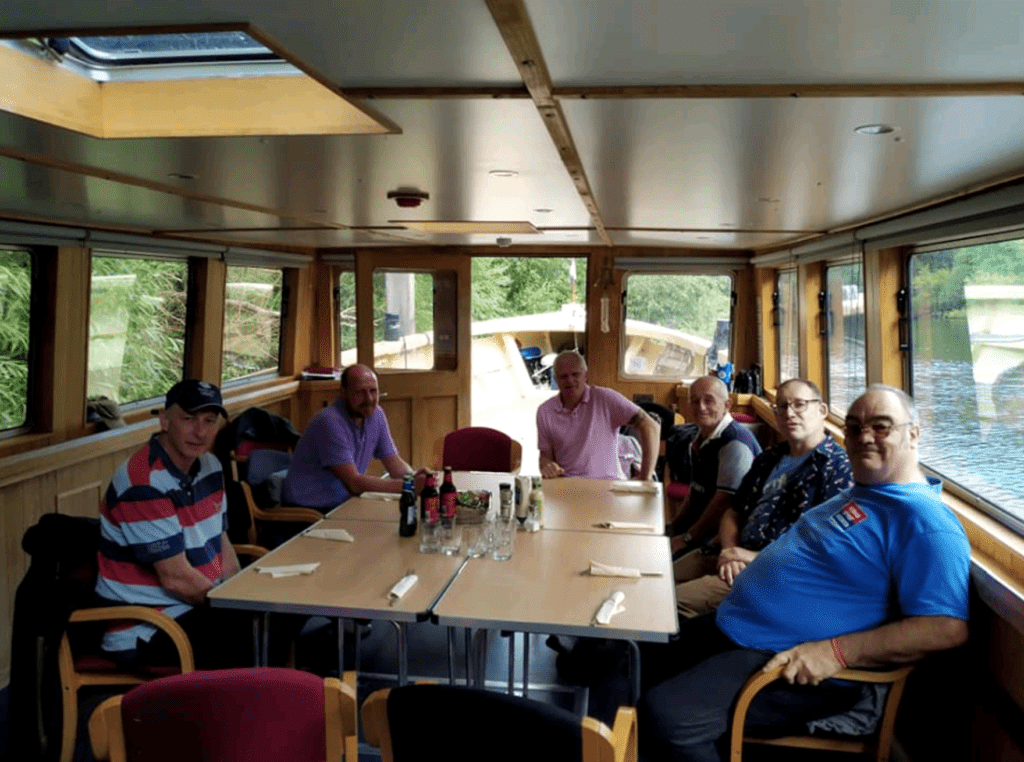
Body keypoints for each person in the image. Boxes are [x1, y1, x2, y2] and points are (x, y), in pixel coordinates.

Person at [641, 385, 971, 762]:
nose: (864, 437)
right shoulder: (860, 494)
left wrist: (835, 652)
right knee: (636, 660)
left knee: (668, 717)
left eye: (881, 427)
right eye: (855, 426)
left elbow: (946, 627)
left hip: (788, 661)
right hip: (738, 626)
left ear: (913, 433)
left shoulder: (926, 522)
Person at [95, 379, 249, 669]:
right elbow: (176, 579)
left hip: (195, 607)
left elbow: (221, 545)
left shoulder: (211, 467)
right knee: (253, 633)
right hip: (147, 626)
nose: (200, 431)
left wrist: (241, 594)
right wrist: (236, 607)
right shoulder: (143, 481)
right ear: (165, 420)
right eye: (188, 419)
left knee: (274, 623)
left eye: (209, 421)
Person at [675, 378, 853, 615]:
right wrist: (731, 551)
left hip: (772, 574)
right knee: (659, 577)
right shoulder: (770, 457)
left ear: (822, 411)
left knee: (668, 601)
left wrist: (746, 557)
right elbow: (732, 510)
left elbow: (823, 549)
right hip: (729, 553)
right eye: (781, 407)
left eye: (799, 404)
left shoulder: (838, 470)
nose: (789, 413)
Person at [284, 364, 427, 510]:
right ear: (343, 393)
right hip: (308, 510)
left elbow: (394, 464)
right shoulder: (329, 421)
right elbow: (354, 483)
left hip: (344, 504)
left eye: (373, 391)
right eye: (360, 393)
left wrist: (416, 478)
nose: (369, 399)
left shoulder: (376, 414)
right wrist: (411, 485)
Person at [668, 375, 761, 552]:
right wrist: (674, 527)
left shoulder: (734, 443)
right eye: (695, 401)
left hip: (720, 540)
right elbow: (695, 490)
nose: (701, 407)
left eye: (709, 401)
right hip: (696, 531)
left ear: (727, 405)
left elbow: (723, 503)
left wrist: (686, 539)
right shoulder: (700, 437)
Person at [536, 350, 659, 480]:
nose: (570, 380)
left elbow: (651, 425)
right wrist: (546, 465)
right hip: (567, 484)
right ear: (556, 379)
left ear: (585, 375)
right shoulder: (545, 411)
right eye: (563, 376)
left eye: (575, 374)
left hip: (608, 484)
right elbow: (545, 456)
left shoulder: (606, 399)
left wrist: (645, 476)